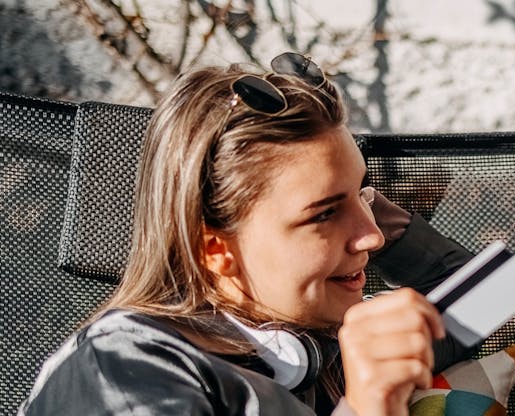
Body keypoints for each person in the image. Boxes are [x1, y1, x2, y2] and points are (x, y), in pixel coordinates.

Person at [19, 53, 473, 416]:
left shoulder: (321, 339)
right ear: (215, 249)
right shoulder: (129, 370)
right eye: (322, 215)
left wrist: (354, 201)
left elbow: (494, 291)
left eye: (363, 194)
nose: (372, 237)